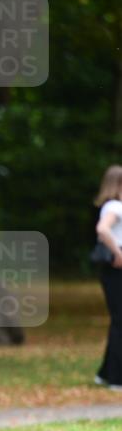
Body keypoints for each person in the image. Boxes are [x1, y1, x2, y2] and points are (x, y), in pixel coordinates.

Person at [93, 164, 122, 392]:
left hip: (113, 269)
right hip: (116, 268)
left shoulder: (112, 206)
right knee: (120, 321)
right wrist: (118, 252)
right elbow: (102, 230)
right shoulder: (114, 206)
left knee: (118, 319)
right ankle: (116, 378)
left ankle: (105, 374)